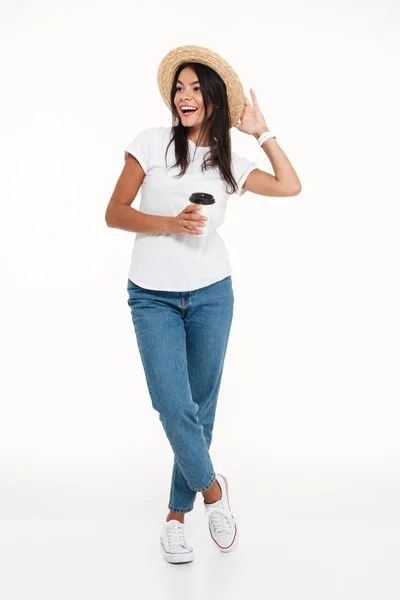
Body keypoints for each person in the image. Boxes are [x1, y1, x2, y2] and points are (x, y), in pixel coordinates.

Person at [105, 44, 301, 564]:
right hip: (152, 296)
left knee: (200, 410)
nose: (184, 96)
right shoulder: (149, 144)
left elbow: (290, 185)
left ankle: (176, 517)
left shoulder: (230, 160)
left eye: (195, 88)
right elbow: (114, 213)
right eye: (179, 87)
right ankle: (214, 493)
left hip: (213, 292)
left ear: (214, 99)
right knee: (172, 405)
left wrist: (261, 132)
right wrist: (170, 223)